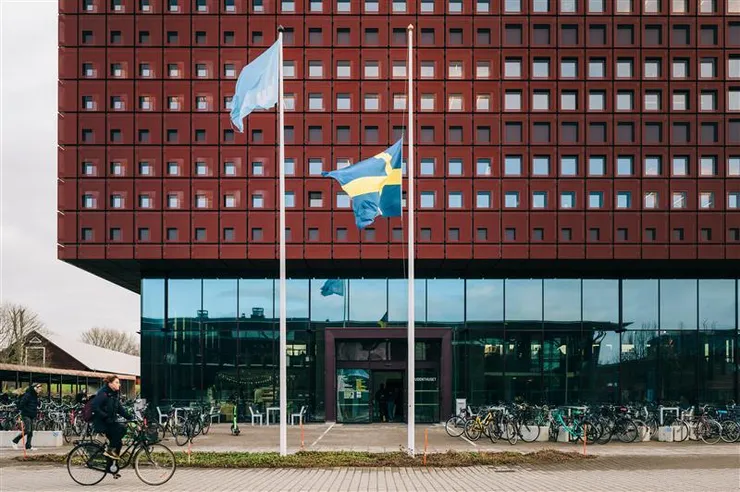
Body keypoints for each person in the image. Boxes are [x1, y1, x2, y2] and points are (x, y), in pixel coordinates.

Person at [91, 375, 132, 461]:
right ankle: (109, 450)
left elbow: (120, 409)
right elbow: (94, 406)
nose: (119, 384)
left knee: (118, 443)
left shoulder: (114, 395)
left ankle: (112, 467)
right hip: (102, 422)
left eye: (119, 383)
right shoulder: (103, 393)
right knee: (122, 429)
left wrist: (131, 417)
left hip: (110, 422)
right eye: (116, 382)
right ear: (110, 383)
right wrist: (105, 416)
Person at [11, 383, 42, 451]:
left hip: (32, 414)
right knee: (27, 430)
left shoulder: (35, 396)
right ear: (35, 388)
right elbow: (21, 405)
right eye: (39, 389)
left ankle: (28, 446)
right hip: (26, 414)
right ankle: (14, 441)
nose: (40, 390)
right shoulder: (27, 395)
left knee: (31, 431)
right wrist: (24, 410)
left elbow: (35, 405)